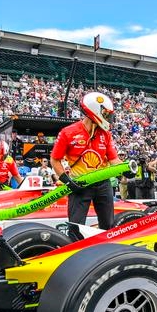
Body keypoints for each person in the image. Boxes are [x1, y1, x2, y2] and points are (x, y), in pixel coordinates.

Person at [50, 92, 122, 229]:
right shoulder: (67, 132)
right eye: (106, 114)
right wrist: (67, 181)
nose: (109, 118)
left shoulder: (105, 134)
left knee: (108, 225)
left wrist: (126, 169)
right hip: (79, 184)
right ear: (94, 112)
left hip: (103, 184)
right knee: (76, 226)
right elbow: (54, 160)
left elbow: (114, 160)